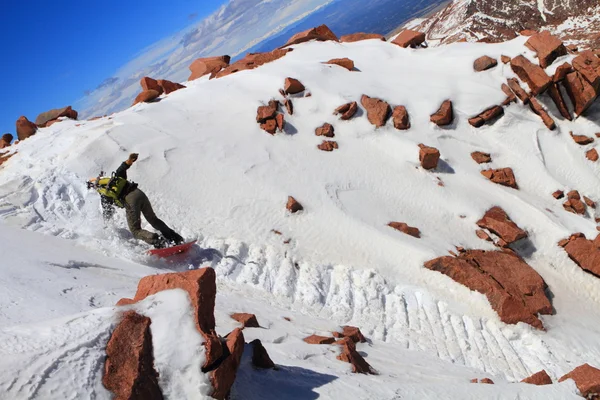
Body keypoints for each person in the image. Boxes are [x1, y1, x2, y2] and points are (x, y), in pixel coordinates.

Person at [88, 153, 184, 248]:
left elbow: (108, 212)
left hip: (130, 200)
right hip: (139, 193)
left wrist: (107, 225)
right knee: (153, 219)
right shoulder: (114, 179)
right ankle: (176, 238)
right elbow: (122, 168)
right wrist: (129, 160)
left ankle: (159, 241)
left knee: (135, 231)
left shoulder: (105, 193)